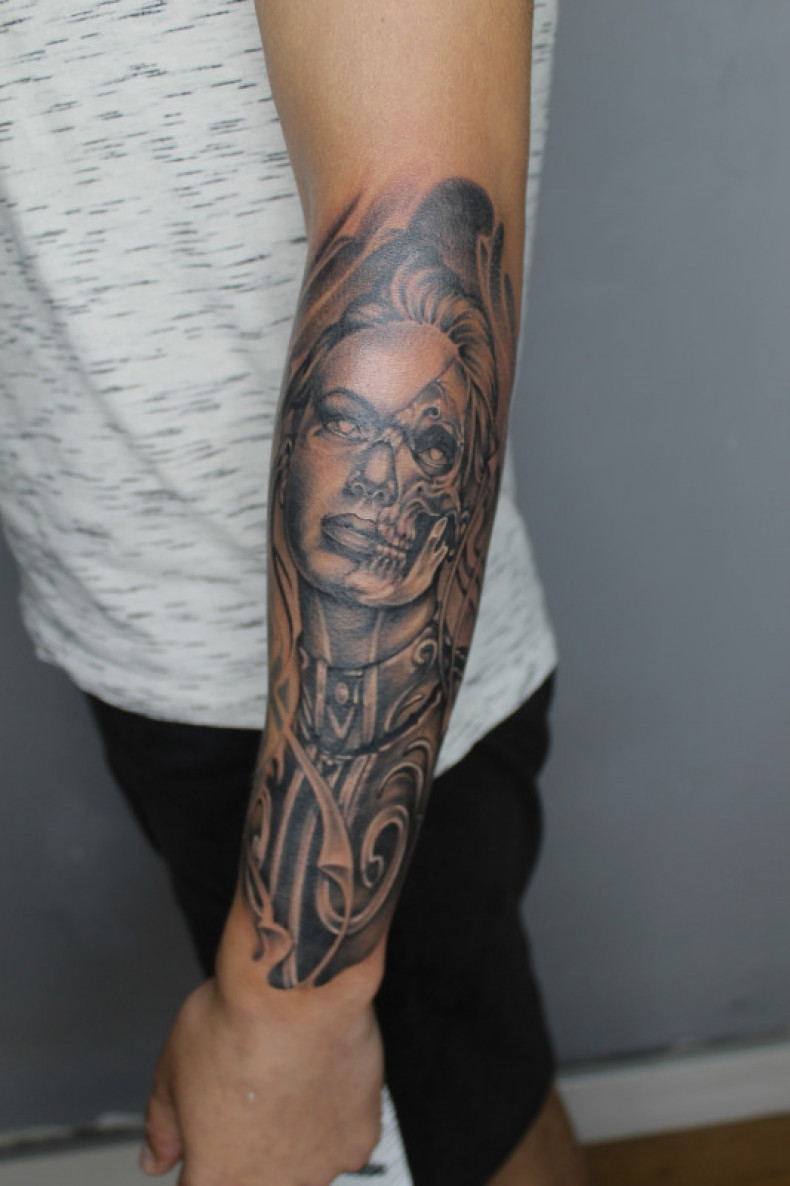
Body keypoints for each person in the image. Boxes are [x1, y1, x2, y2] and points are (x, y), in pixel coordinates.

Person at [0, 0, 590, 1182]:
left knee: (465, 1133)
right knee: (464, 1112)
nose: (384, 471)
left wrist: (291, 1007)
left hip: (325, 714)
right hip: (151, 633)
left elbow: (418, 226)